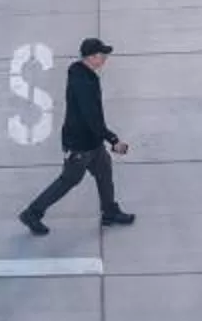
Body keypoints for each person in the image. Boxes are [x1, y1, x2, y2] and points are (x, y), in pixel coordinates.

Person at [19, 36, 134, 234]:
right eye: (102, 55)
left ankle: (109, 211)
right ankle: (32, 213)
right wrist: (113, 140)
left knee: (104, 172)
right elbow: (92, 118)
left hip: (92, 141)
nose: (105, 58)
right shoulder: (83, 83)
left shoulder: (82, 72)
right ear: (91, 57)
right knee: (69, 180)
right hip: (80, 145)